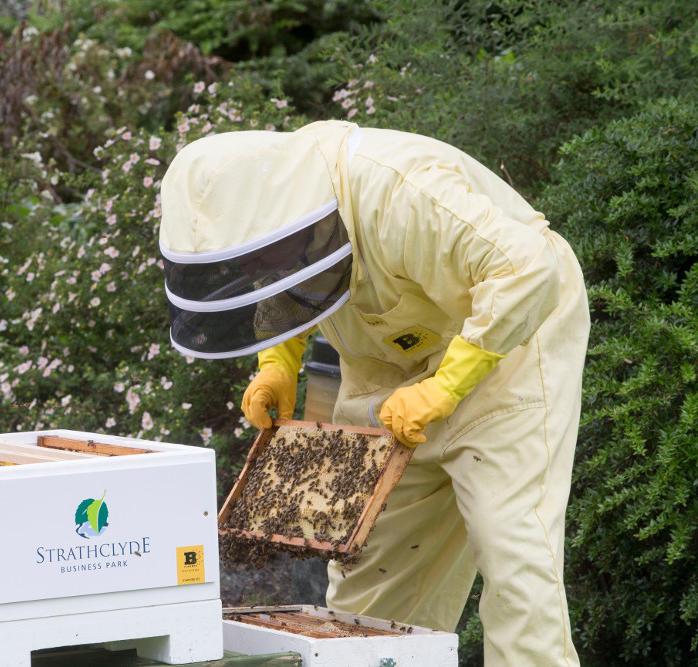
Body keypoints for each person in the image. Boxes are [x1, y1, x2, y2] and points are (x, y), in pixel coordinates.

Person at [158, 120, 589, 666]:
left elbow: (528, 269)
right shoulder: (283, 221)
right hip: (383, 368)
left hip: (508, 347)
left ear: (294, 212)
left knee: (513, 553)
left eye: (258, 255)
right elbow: (285, 287)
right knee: (370, 584)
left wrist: (445, 386)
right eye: (243, 259)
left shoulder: (398, 190)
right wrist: (278, 361)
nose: (251, 269)